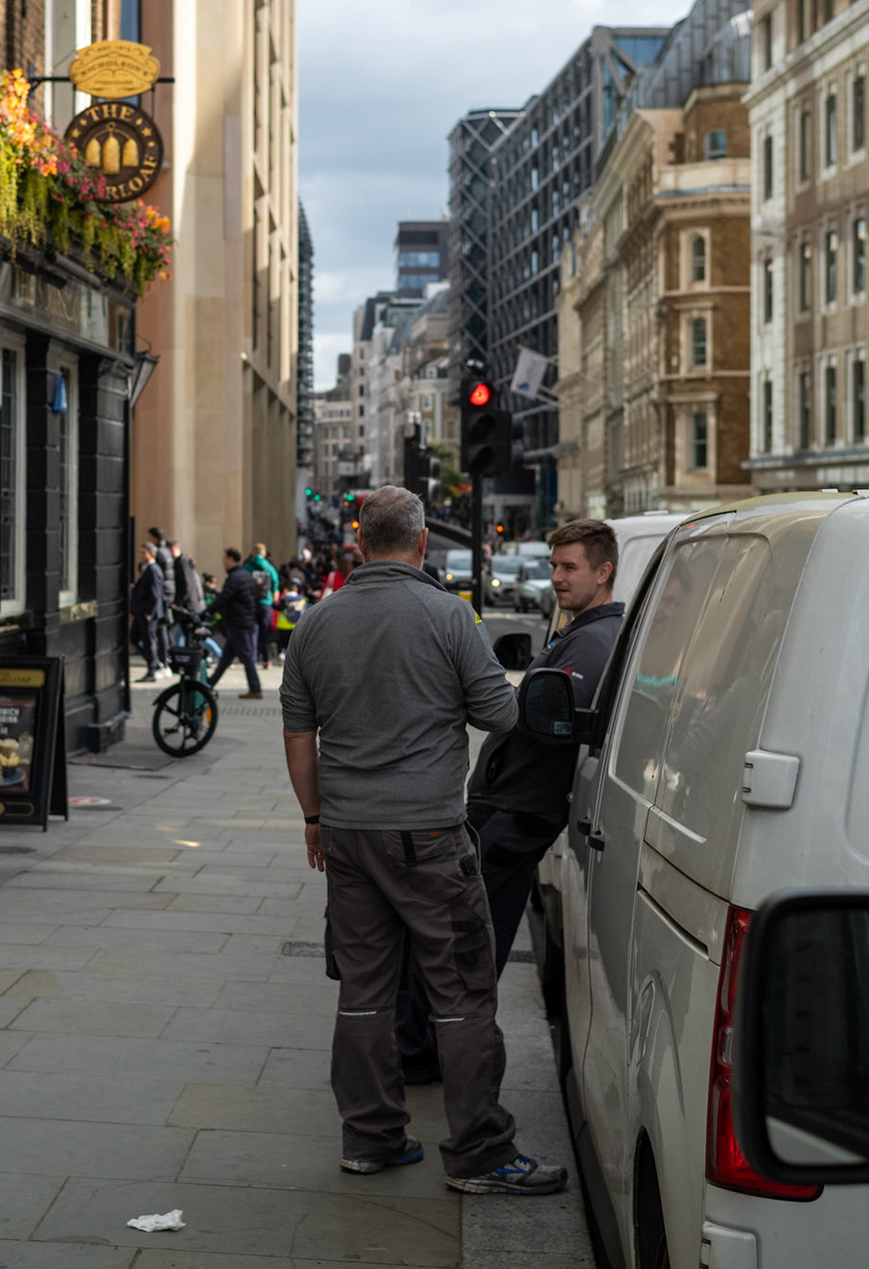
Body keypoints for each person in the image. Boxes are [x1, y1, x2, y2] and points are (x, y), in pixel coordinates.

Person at [281, 484, 568, 1197]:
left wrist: (314, 818)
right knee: (462, 992)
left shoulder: (315, 623)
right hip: (430, 834)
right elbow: (501, 716)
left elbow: (298, 733)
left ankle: (369, 1138)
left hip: (346, 834)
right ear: (418, 544)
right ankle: (479, 1153)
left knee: (363, 992)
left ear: (358, 544)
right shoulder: (449, 614)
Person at [395, 520, 624, 1081]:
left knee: (466, 939)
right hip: (508, 807)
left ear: (604, 571)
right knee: (472, 932)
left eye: (569, 567)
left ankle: (435, 1053)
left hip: (514, 812)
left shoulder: (593, 641)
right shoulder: (582, 631)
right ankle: (438, 1048)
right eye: (553, 566)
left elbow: (547, 718)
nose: (556, 579)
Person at [208, 548, 265, 699]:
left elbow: (224, 598)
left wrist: (208, 611)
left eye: (224, 558)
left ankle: (255, 688)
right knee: (226, 658)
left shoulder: (235, 577)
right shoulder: (245, 575)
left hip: (239, 622)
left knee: (246, 657)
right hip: (243, 620)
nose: (223, 562)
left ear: (230, 559)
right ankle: (209, 684)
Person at [129, 543, 165, 681]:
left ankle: (153, 668)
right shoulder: (147, 569)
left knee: (149, 641)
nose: (141, 556)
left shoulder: (154, 570)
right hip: (141, 612)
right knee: (134, 639)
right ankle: (153, 663)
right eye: (140, 553)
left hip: (147, 614)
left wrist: (150, 612)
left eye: (144, 553)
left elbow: (155, 594)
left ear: (152, 554)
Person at [247, 542, 282, 668]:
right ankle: (266, 659)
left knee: (253, 632)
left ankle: (253, 659)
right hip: (266, 603)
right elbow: (275, 585)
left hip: (251, 603)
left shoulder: (248, 566)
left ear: (253, 552)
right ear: (265, 553)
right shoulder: (269, 567)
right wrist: (274, 599)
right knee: (265, 632)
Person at [147, 528, 177, 668]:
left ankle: (164, 660)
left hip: (163, 594)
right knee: (165, 628)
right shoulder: (166, 551)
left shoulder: (158, 553)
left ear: (154, 538)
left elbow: (157, 576)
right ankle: (167, 658)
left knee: (161, 628)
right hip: (169, 592)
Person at [171, 541, 207, 616]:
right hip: (195, 606)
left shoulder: (183, 566)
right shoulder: (192, 572)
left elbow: (188, 587)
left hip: (189, 608)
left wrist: (178, 603)